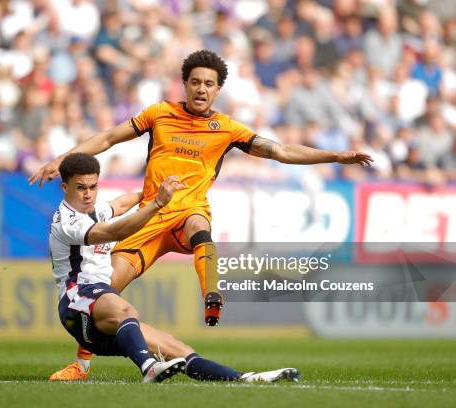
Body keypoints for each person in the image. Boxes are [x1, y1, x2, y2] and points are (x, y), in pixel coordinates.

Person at [30, 49, 372, 380]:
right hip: (149, 217)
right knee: (101, 295)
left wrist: (335, 157)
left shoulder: (226, 128)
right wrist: (62, 160)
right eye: (195, 82)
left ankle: (212, 294)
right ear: (185, 84)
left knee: (199, 225)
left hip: (186, 212)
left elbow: (280, 150)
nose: (201, 89)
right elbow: (107, 137)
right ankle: (83, 364)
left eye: (209, 84)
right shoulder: (159, 114)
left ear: (218, 89)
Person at [50, 152, 300, 384]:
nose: (88, 194)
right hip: (76, 300)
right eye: (81, 188)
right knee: (125, 309)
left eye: (93, 187)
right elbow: (116, 230)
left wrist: (148, 194)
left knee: (176, 348)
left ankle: (244, 379)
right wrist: (158, 202)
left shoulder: (94, 209)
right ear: (65, 188)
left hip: (97, 316)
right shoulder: (67, 222)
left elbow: (120, 203)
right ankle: (148, 367)